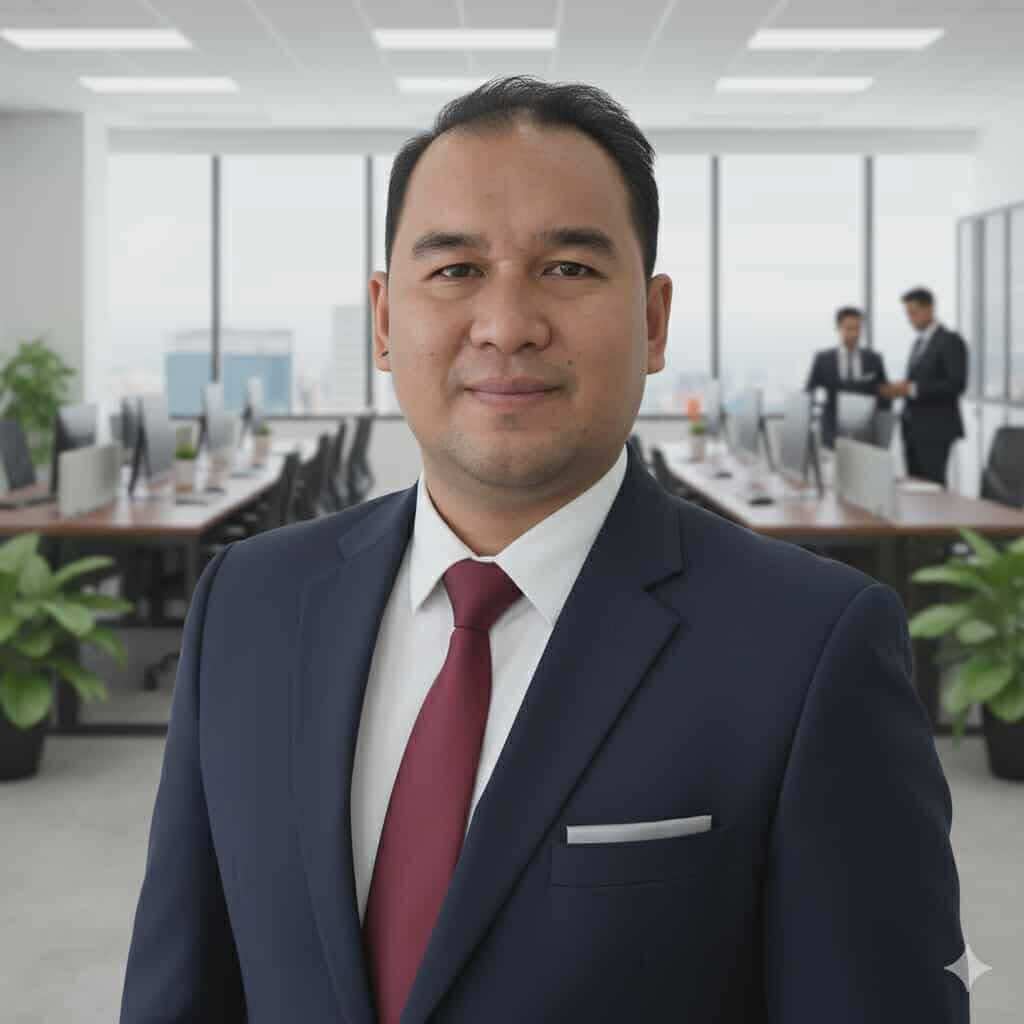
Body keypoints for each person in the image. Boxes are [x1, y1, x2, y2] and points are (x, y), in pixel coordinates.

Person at [119, 77, 968, 1023]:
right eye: (454, 270)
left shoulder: (814, 646)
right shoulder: (248, 603)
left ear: (652, 322)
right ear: (385, 320)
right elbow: (182, 986)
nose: (508, 324)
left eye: (568, 268)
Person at [878, 287, 968, 487]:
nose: (910, 318)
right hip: (912, 428)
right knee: (915, 487)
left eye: (913, 312)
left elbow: (956, 384)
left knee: (932, 487)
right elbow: (918, 381)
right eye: (907, 314)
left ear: (930, 309)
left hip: (936, 429)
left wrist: (911, 389)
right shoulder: (918, 343)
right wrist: (899, 389)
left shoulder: (950, 341)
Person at [804, 305, 890, 448]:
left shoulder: (874, 359)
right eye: (849, 328)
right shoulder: (823, 359)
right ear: (838, 328)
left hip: (865, 431)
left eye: (857, 328)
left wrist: (883, 430)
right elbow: (809, 391)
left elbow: (884, 395)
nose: (854, 334)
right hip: (832, 431)